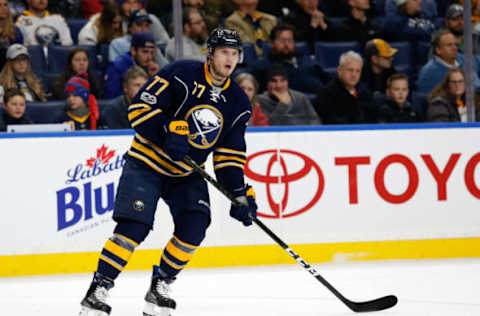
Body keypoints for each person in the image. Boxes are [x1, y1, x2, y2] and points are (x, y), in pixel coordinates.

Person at [78, 28, 258, 316]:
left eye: (235, 53)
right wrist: (165, 132)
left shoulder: (238, 103)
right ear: (210, 53)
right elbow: (138, 109)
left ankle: (160, 284)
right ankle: (99, 288)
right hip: (146, 163)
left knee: (195, 226)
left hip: (185, 173)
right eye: (224, 52)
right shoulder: (180, 73)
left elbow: (228, 156)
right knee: (134, 227)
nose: (230, 59)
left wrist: (239, 193)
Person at [245, 23, 330, 94]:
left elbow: (327, 81)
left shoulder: (308, 61)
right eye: (282, 41)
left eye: (289, 40)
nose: (286, 45)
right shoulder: (263, 66)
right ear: (272, 42)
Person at [314, 51, 374, 124]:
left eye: (358, 71)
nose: (354, 74)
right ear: (339, 70)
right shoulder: (326, 94)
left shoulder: (365, 92)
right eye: (350, 70)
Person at [417, 30, 480, 94]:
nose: (455, 48)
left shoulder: (464, 58)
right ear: (438, 49)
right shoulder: (429, 72)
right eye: (449, 45)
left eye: (456, 44)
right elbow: (428, 99)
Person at [104, 32, 161, 99]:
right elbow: (111, 97)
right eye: (145, 52)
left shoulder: (151, 68)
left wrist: (155, 78)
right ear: (133, 50)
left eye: (152, 53)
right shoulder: (117, 67)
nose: (149, 57)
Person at [0, 0, 23, 71]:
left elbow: (19, 54)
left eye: (5, 5)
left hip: (10, 70)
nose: (3, 8)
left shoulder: (15, 30)